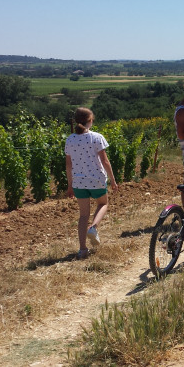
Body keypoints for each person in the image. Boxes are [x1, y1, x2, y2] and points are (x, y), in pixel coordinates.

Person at [65, 107, 118, 259]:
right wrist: (113, 181)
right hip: (97, 179)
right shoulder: (97, 137)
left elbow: (68, 165)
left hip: (79, 182)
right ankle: (94, 227)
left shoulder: (69, 140)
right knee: (103, 204)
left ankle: (82, 250)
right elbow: (105, 161)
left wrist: (70, 185)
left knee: (83, 215)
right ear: (90, 121)